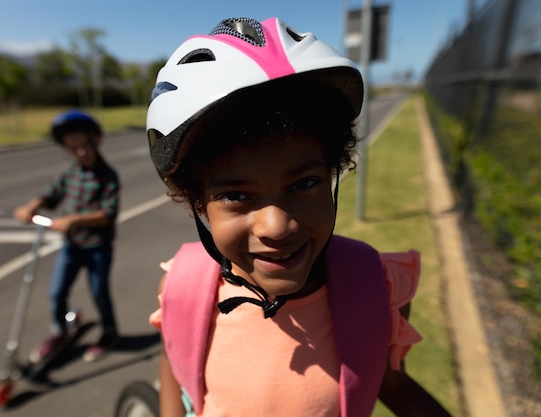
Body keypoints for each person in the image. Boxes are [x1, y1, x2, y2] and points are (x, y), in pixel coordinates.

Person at [146, 17, 453, 417]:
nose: (277, 226)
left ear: (332, 175)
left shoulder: (376, 290)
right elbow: (175, 366)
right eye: (236, 196)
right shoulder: (182, 288)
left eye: (303, 184)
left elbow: (389, 381)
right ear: (197, 201)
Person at [14, 109, 120, 363]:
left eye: (85, 146)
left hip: (97, 247)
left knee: (99, 292)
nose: (81, 153)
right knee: (56, 292)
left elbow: (108, 214)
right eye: (74, 149)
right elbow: (52, 193)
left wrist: (73, 220)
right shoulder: (69, 171)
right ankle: (59, 331)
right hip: (71, 246)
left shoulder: (108, 176)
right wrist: (32, 205)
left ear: (96, 141)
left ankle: (109, 332)